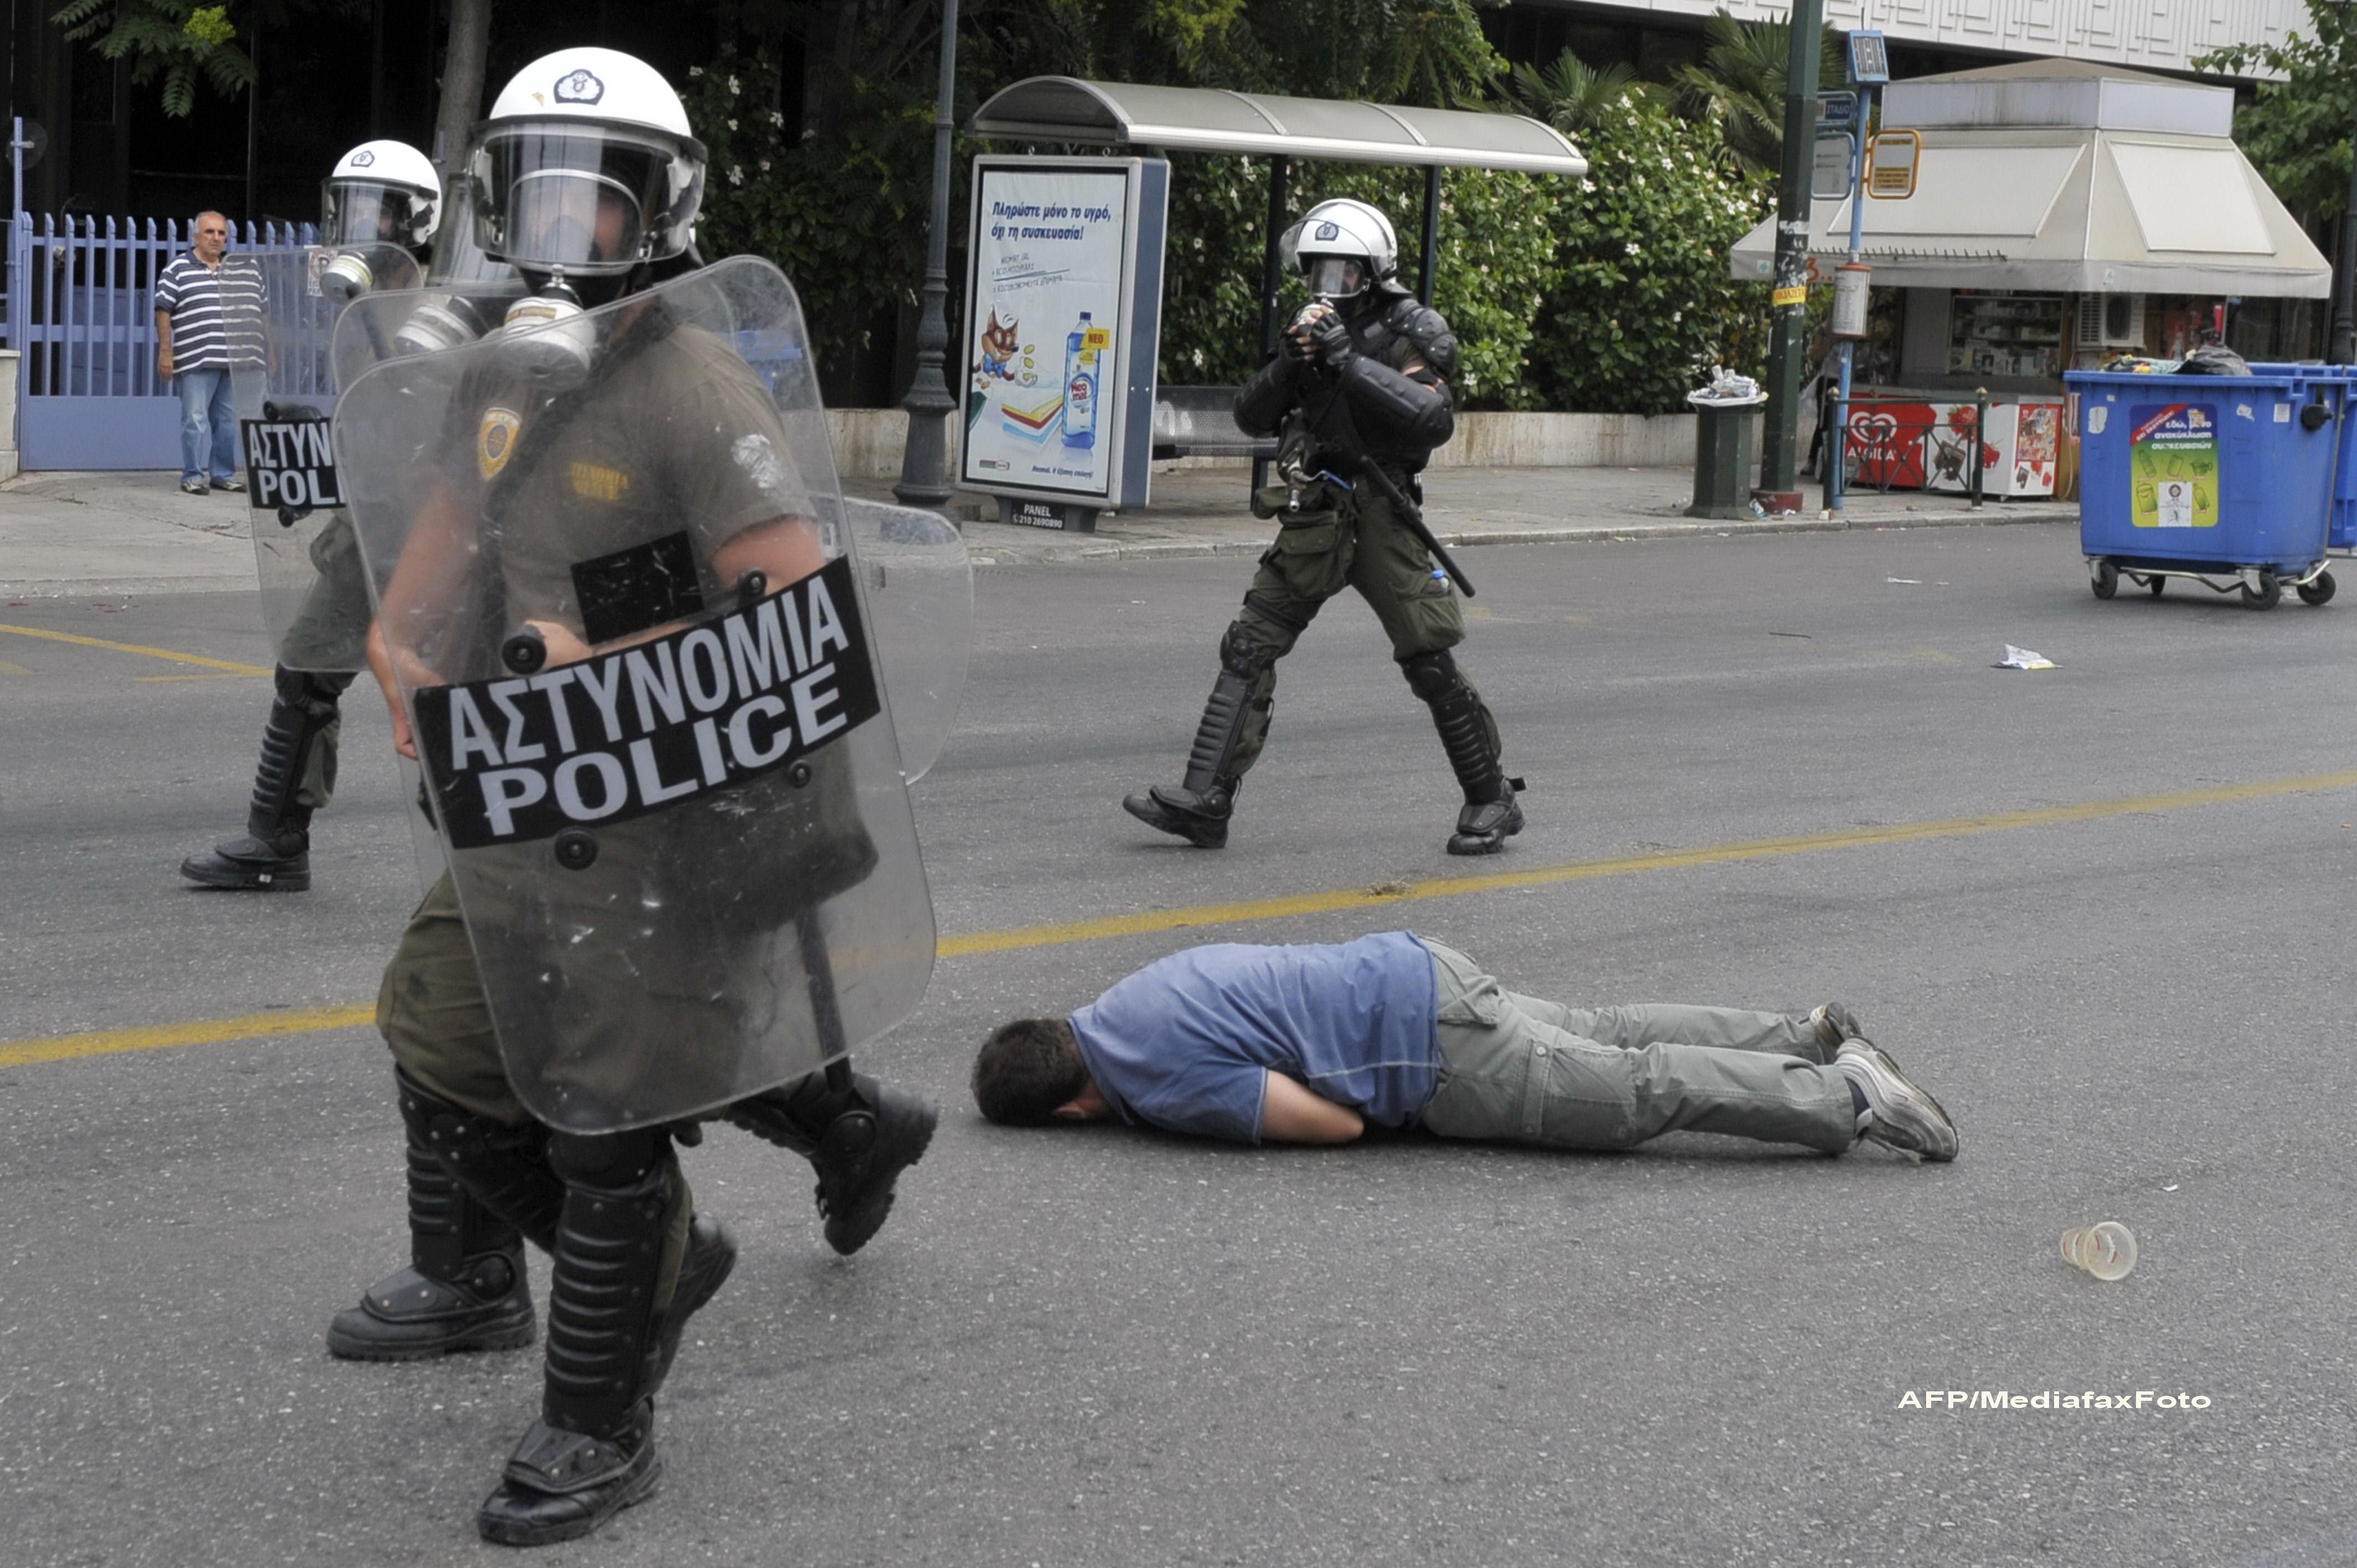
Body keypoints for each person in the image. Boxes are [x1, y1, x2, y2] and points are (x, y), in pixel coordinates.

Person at [325, 48, 938, 1548]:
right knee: (440, 1050)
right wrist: (402, 652)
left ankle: (600, 1422)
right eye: (536, 192)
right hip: (529, 791)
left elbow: (792, 607)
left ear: (659, 213)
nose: (562, 228)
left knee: (605, 1115)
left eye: (596, 200)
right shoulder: (496, 375)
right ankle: (676, 1252)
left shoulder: (691, 385)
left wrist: (603, 653)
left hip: (671, 804)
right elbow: (439, 556)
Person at [1121, 198, 1525, 858]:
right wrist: (1289, 363)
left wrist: (1350, 365)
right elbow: (1251, 416)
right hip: (1316, 510)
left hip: (1382, 511)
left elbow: (1432, 420)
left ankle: (1491, 797)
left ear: (1375, 270)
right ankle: (1205, 800)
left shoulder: (1410, 327)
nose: (1328, 286)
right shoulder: (1310, 330)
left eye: (1344, 271)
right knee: (1249, 645)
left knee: (1427, 660)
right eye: (1318, 271)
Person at [972, 933, 1958, 1162]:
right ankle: (1806, 1034)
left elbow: (1331, 1126)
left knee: (1626, 1093)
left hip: (1427, 1046)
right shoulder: (1125, 999)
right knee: (1602, 1029)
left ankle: (1848, 1097)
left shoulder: (1151, 1081)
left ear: (1071, 1109)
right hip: (1417, 966)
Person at [179, 141, 446, 894]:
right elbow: (378, 421)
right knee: (306, 670)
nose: (359, 228)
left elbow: (441, 433)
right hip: (370, 521)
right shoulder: (358, 311)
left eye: (378, 212)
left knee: (448, 687)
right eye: (349, 210)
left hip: (433, 531)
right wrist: (316, 452)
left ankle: (490, 860)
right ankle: (279, 839)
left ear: (416, 221)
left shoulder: (438, 313)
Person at [153, 210, 266, 496]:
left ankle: (223, 475)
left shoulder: (243, 269)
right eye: (209, 232)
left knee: (228, 422)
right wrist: (166, 352)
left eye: (221, 233)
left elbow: (262, 311)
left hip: (235, 361)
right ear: (196, 236)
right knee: (194, 420)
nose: (216, 238)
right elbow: (163, 310)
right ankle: (192, 475)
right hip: (195, 359)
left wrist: (269, 350)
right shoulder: (178, 268)